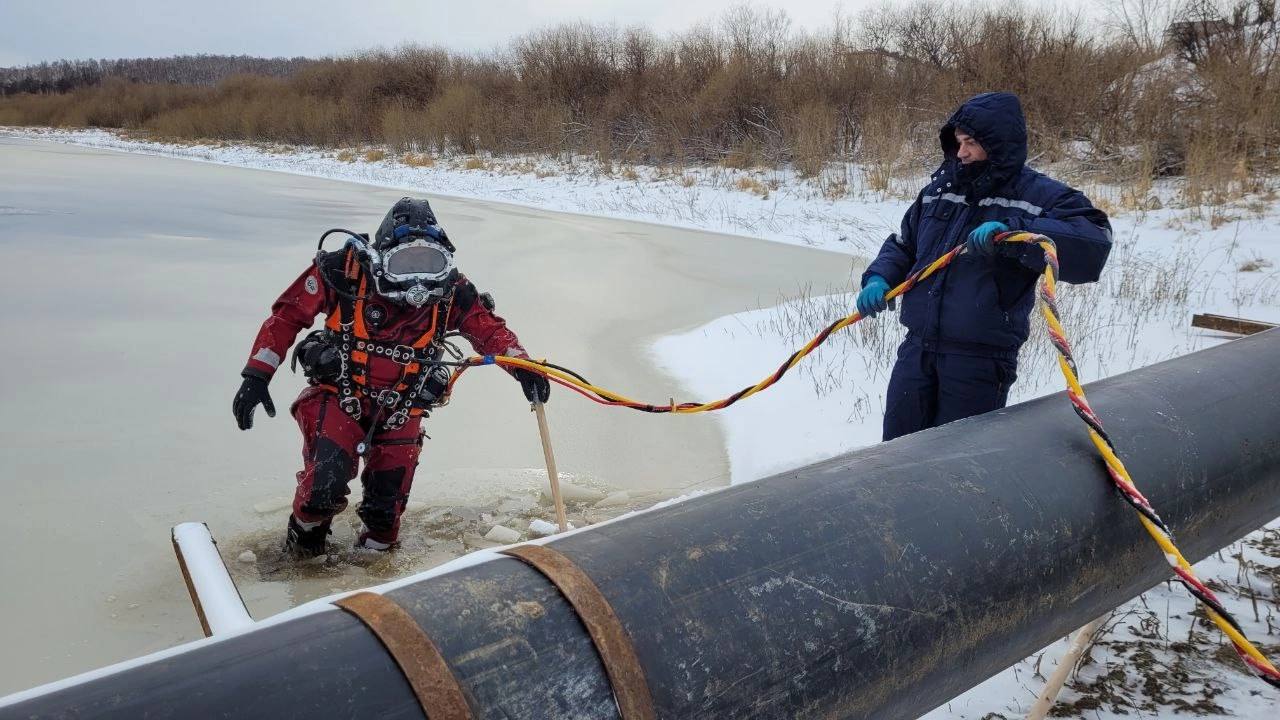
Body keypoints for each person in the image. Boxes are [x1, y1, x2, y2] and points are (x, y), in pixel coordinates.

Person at [232, 197, 550, 557]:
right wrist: (257, 375)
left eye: (429, 263)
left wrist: (524, 368)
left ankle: (371, 573)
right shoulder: (343, 271)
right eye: (405, 264)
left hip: (403, 405)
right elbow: (288, 316)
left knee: (385, 515)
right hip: (339, 395)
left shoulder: (451, 291)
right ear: (381, 257)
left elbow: (489, 331)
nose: (418, 281)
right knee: (323, 486)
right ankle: (302, 557)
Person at [855, 92, 1112, 441]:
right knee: (895, 455)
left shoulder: (1039, 195)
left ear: (998, 144)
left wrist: (1016, 232)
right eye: (959, 142)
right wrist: (878, 277)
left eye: (971, 143)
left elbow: (1093, 244)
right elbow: (904, 245)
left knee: (959, 467)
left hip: (978, 362)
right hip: (916, 352)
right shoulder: (940, 190)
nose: (961, 153)